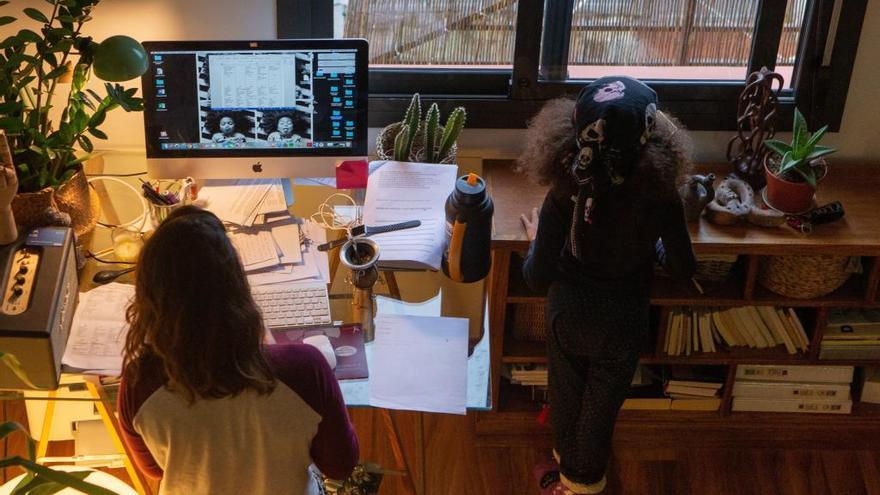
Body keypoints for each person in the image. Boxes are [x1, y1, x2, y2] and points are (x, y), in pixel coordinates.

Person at [518, 76, 696, 494]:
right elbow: (684, 267)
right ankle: (580, 480)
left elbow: (536, 278)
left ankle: (571, 478)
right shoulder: (663, 196)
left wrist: (534, 242)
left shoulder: (564, 193)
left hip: (569, 313)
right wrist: (652, 249)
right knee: (599, 409)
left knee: (566, 394)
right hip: (623, 320)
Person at [117, 206, 358, 494]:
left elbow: (155, 469)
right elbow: (340, 465)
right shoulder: (303, 369)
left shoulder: (138, 384)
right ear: (237, 287)